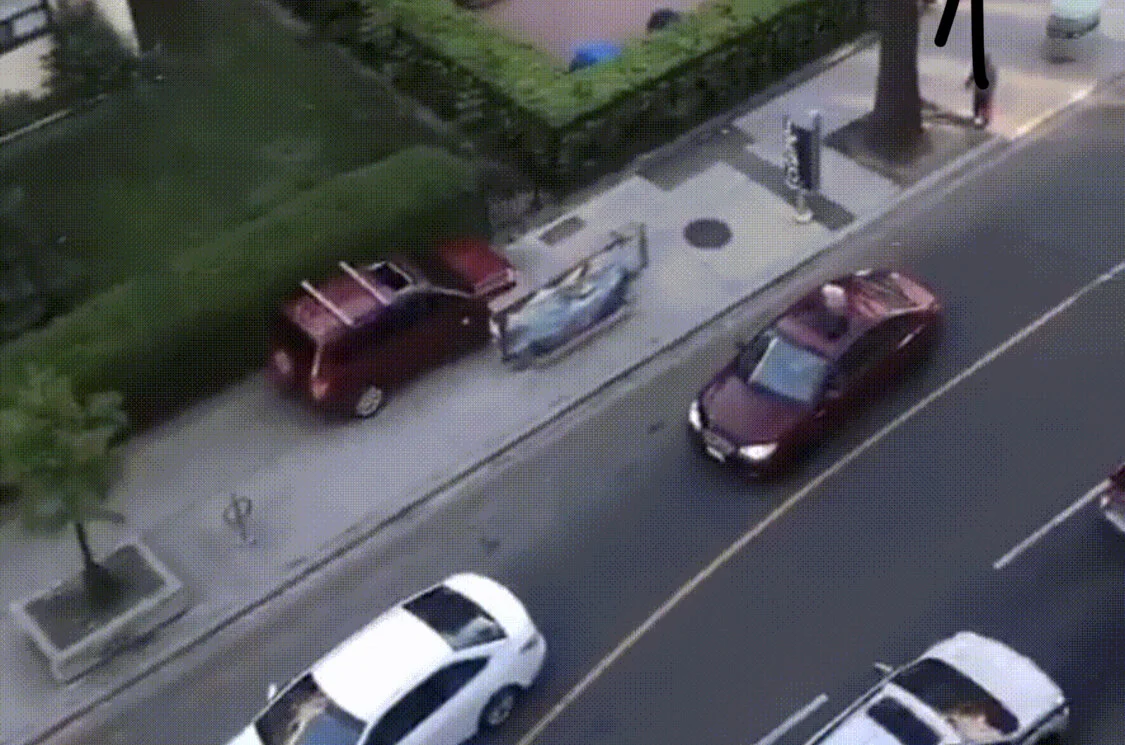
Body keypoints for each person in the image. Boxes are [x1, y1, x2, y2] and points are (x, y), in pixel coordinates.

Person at [964, 55, 998, 128]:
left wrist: (968, 84)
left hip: (984, 93)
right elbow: (972, 77)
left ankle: (984, 122)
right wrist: (967, 84)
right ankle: (977, 121)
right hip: (980, 92)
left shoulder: (990, 70)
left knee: (983, 109)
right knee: (977, 108)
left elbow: (994, 82)